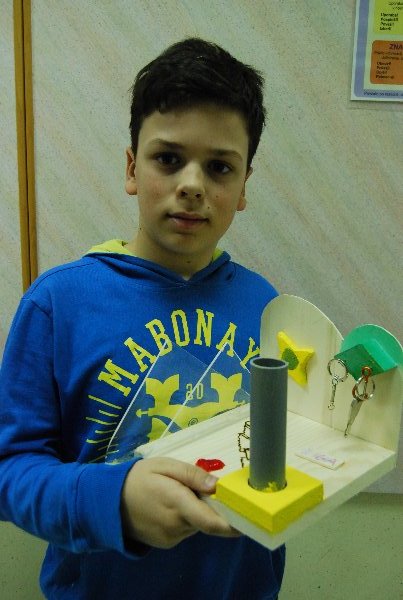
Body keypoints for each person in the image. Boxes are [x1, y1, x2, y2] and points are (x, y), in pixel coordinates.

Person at [0, 38, 285, 599]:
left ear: (243, 187)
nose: (192, 185)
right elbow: (9, 471)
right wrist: (116, 502)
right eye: (169, 159)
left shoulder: (267, 305)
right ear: (132, 168)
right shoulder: (58, 303)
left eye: (220, 167)